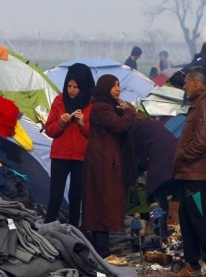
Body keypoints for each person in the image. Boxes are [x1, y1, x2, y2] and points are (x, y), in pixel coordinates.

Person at [171, 66, 206, 277]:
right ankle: (191, 263)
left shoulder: (205, 105)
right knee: (187, 217)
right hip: (190, 174)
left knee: (201, 219)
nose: (184, 87)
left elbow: (201, 141)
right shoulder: (204, 103)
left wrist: (182, 155)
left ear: (194, 82)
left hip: (197, 175)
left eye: (185, 83)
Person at [82, 74, 137, 258]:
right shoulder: (101, 108)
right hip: (102, 164)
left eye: (119, 85)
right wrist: (129, 111)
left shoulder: (108, 106)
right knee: (101, 203)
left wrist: (123, 110)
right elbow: (120, 125)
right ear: (105, 88)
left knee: (104, 204)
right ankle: (101, 250)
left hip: (106, 162)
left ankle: (102, 248)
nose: (118, 89)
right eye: (114, 85)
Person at [44, 62, 94, 227]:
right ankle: (48, 226)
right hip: (60, 155)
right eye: (69, 86)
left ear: (84, 87)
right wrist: (61, 123)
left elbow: (95, 134)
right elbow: (49, 130)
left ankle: (74, 229)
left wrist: (82, 124)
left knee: (76, 196)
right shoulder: (59, 101)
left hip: (81, 157)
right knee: (55, 195)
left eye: (76, 87)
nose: (71, 90)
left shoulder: (91, 105)